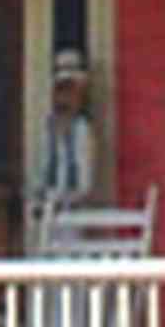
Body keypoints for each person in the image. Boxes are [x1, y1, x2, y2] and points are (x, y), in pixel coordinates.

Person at [30, 47, 99, 218]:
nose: (64, 98)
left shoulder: (82, 130)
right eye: (60, 91)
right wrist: (39, 197)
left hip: (73, 212)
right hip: (48, 209)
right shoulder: (49, 128)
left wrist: (66, 200)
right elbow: (41, 169)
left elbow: (85, 182)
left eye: (70, 92)